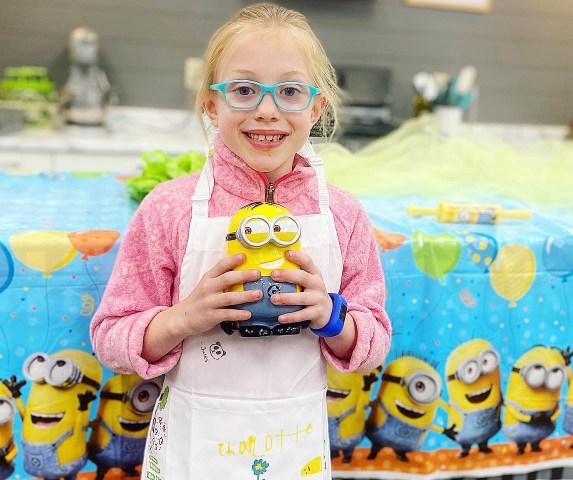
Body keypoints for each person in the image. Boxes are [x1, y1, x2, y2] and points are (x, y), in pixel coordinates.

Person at [90, 3, 391, 478]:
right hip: (194, 450)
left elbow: (373, 344)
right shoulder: (169, 208)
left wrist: (333, 317)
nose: (267, 111)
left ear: (316, 106)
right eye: (244, 90)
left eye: (290, 91)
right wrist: (182, 318)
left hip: (298, 451)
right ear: (212, 104)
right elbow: (110, 339)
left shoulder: (343, 214)